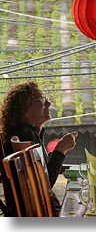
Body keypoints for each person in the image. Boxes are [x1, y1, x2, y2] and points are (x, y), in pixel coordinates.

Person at [0, 80, 78, 216]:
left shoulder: (29, 133)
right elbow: (45, 185)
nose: (48, 103)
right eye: (41, 99)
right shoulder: (25, 137)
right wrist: (60, 150)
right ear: (25, 111)